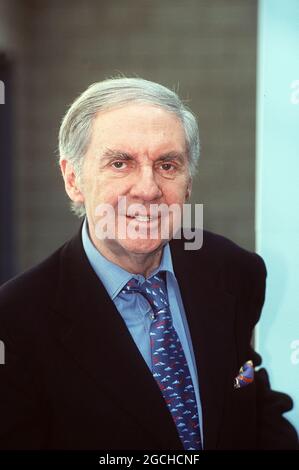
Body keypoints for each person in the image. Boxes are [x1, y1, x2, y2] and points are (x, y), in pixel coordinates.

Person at [0, 77, 297, 451]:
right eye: (120, 163)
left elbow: (248, 398)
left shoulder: (234, 272)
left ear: (188, 182)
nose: (148, 188)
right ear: (73, 179)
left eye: (167, 164)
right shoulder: (14, 321)